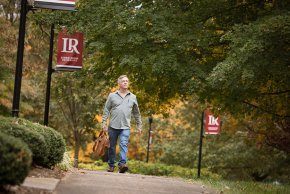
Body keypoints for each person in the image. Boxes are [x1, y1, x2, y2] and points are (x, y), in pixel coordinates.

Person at [102, 75, 142, 173]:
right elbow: (106, 110)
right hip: (112, 126)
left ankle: (122, 164)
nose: (125, 82)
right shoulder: (112, 95)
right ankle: (111, 165)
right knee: (112, 147)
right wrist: (104, 123)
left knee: (124, 144)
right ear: (119, 84)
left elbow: (136, 112)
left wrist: (139, 125)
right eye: (123, 81)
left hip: (125, 126)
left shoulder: (133, 97)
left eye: (127, 81)